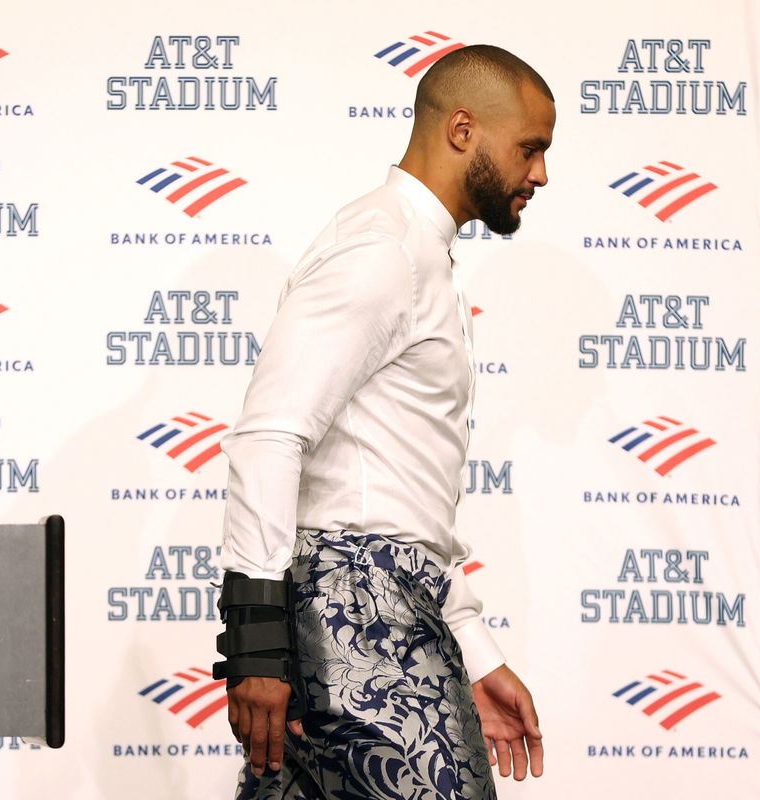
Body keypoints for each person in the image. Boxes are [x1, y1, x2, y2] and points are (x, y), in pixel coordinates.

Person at [212, 45, 554, 800]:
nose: (540, 174)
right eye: (530, 148)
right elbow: (270, 434)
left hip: (377, 605)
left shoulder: (415, 252)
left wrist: (476, 649)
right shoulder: (383, 250)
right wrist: (255, 649)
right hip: (360, 619)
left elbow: (399, 494)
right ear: (463, 130)